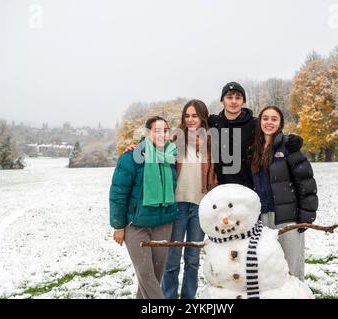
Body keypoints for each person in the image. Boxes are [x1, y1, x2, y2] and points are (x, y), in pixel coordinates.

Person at [109, 116, 178, 299]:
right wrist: (118, 226)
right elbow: (118, 193)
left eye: (165, 130)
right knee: (147, 277)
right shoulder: (131, 158)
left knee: (153, 277)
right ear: (147, 133)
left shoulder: (171, 156)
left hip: (163, 224)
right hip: (136, 225)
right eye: (157, 130)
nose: (162, 134)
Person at [250, 106, 318, 281]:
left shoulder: (289, 146)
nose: (269, 122)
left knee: (292, 270)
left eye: (274, 119)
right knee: (267, 270)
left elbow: (306, 182)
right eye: (265, 118)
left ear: (280, 123)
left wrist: (306, 216)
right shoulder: (253, 150)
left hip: (287, 217)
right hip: (261, 219)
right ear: (260, 122)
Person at [161, 99, 216, 299]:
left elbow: (217, 174)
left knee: (192, 258)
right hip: (178, 204)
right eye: (187, 115)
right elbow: (152, 145)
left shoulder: (212, 142)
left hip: (200, 206)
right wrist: (136, 148)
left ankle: (188, 298)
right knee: (172, 256)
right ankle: (167, 297)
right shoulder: (175, 138)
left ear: (203, 117)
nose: (191, 120)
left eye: (195, 115)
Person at [208, 82, 257, 189]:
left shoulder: (255, 124)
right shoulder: (213, 123)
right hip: (221, 189)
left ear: (243, 101)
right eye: (229, 97)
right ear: (222, 100)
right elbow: (192, 126)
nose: (234, 101)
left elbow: (273, 136)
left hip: (248, 188)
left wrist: (291, 141)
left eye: (238, 98)